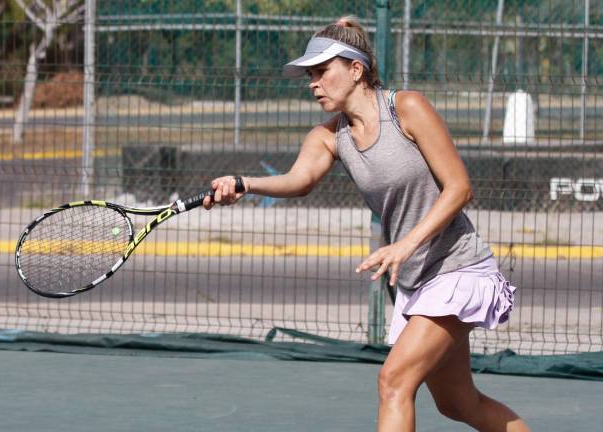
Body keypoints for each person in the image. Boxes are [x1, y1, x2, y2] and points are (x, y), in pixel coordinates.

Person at [203, 16, 530, 432]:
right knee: (458, 403)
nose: (313, 83)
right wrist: (244, 183)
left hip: (457, 268)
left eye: (322, 72)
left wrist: (404, 245)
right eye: (310, 75)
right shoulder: (329, 136)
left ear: (355, 70)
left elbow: (460, 188)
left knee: (394, 382)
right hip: (416, 280)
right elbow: (298, 180)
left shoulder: (407, 108)